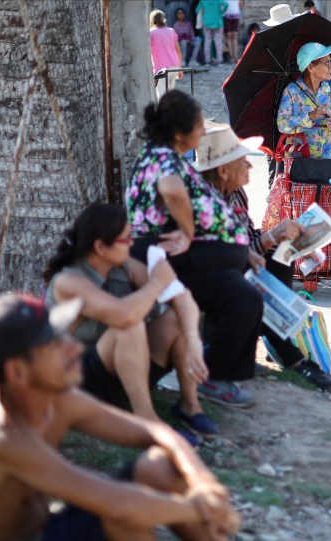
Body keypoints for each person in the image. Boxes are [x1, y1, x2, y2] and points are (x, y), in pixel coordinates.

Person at [0, 292, 239, 541]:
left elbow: (154, 433)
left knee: (159, 468)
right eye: (54, 344)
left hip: (42, 528)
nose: (75, 347)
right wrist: (199, 507)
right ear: (17, 372)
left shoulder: (53, 397)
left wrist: (204, 485)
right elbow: (118, 506)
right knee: (123, 519)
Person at [126, 89, 263, 408]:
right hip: (161, 251)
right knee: (243, 299)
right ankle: (214, 378)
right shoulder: (163, 158)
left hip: (177, 252)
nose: (203, 132)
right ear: (178, 132)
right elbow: (172, 191)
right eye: (199, 126)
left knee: (243, 296)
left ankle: (215, 369)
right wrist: (188, 233)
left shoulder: (160, 155)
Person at [43, 203, 217, 440]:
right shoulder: (68, 281)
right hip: (77, 380)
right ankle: (147, 422)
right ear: (101, 247)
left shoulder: (122, 267)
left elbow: (182, 296)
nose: (133, 243)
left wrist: (193, 339)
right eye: (126, 239)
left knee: (176, 318)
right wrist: (156, 283)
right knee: (129, 325)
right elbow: (124, 315)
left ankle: (189, 405)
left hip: (120, 368)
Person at [196, 125, 331, 389]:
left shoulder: (235, 192)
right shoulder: (208, 202)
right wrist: (272, 237)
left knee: (279, 253)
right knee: (272, 253)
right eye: (243, 162)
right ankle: (291, 354)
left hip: (236, 264)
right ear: (223, 170)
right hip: (216, 275)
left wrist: (287, 237)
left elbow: (246, 237)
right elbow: (227, 256)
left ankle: (284, 341)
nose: (249, 167)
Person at [277, 42, 331, 161]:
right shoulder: (291, 91)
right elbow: (282, 125)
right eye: (327, 63)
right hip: (302, 161)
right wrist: (310, 116)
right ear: (310, 67)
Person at [150, 9, 183, 100]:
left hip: (160, 68)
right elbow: (178, 51)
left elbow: (147, 51)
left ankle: (164, 113)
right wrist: (180, 68)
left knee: (161, 96)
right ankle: (170, 113)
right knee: (170, 94)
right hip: (174, 66)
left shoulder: (152, 33)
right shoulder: (171, 31)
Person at [195, 0, 228, 66]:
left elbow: (197, 10)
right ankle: (219, 61)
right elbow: (226, 4)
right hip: (218, 22)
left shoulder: (203, 1)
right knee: (218, 42)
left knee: (207, 42)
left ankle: (207, 61)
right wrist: (221, 12)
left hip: (207, 22)